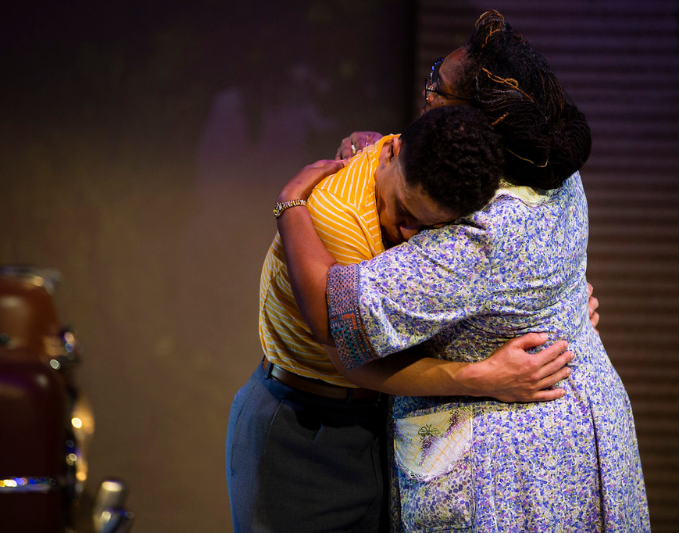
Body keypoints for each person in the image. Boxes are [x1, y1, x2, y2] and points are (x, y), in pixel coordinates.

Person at [275, 10, 649, 532]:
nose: (426, 97)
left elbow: (333, 315)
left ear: (477, 128)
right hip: (583, 420)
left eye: (438, 92)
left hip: (505, 463)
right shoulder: (553, 171)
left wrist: (291, 205)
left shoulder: (477, 238)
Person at [226, 104, 583, 532]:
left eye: (429, 227)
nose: (410, 235)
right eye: (405, 213)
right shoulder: (339, 218)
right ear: (393, 152)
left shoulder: (430, 168)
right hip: (304, 425)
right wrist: (483, 377)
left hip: (375, 422)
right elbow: (346, 349)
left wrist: (564, 310)